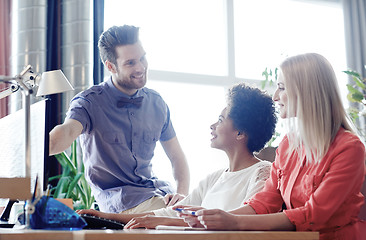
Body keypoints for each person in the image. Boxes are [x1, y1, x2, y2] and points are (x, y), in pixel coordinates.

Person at [176, 53, 366, 240]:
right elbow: (264, 203)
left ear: (306, 92)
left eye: (281, 88)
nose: (275, 96)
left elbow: (313, 216)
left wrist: (233, 222)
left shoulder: (349, 148)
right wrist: (215, 218)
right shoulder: (288, 146)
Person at [76, 83, 278, 229]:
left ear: (240, 133)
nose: (212, 125)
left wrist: (162, 221)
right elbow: (170, 213)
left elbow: (244, 222)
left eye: (220, 120)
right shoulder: (214, 178)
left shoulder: (262, 172)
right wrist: (104, 216)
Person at [49, 25, 190, 213]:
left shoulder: (157, 103)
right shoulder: (89, 103)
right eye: (130, 63)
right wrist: (41, 145)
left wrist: (181, 194)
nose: (140, 67)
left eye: (142, 58)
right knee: (178, 218)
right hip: (120, 201)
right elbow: (67, 131)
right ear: (110, 66)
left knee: (206, 211)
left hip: (158, 194)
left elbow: (177, 156)